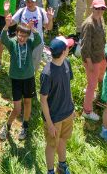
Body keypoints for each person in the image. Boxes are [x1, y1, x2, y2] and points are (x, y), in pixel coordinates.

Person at [0, 14, 42, 141]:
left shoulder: (30, 43)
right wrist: (7, 24)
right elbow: (3, 38)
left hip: (29, 78)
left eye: (24, 36)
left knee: (28, 102)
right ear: (16, 34)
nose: (22, 38)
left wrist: (32, 29)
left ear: (28, 37)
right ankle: (7, 126)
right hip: (16, 79)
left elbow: (38, 39)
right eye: (20, 35)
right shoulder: (12, 43)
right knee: (17, 108)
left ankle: (25, 126)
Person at [40, 36, 76, 174]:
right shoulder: (47, 73)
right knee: (51, 145)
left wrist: (71, 106)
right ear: (63, 51)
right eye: (67, 47)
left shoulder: (67, 63)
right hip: (54, 118)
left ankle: (62, 165)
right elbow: (43, 100)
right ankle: (50, 171)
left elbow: (68, 87)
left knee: (63, 140)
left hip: (67, 113)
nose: (69, 48)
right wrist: (49, 124)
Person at [79, 0, 107, 121]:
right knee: (92, 85)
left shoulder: (101, 19)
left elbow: (103, 37)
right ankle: (87, 110)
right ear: (92, 8)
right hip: (92, 59)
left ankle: (100, 97)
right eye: (97, 8)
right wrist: (89, 63)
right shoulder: (89, 24)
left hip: (101, 56)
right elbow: (84, 47)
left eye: (102, 8)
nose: (100, 11)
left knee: (100, 77)